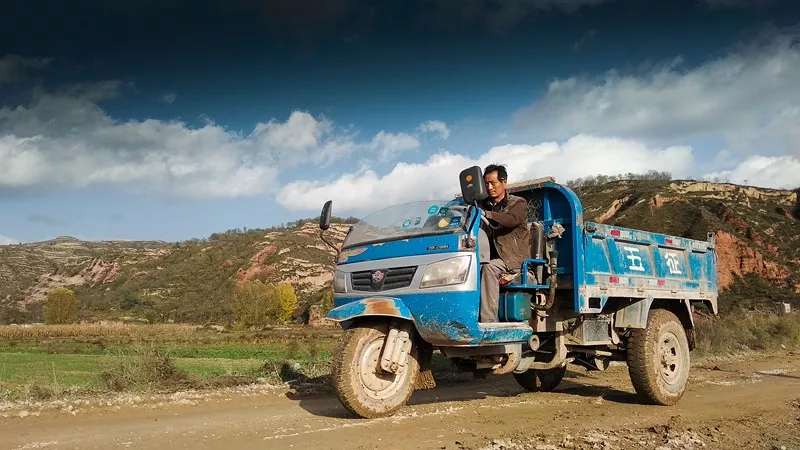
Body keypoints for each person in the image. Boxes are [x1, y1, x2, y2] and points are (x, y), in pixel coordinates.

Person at [478, 164, 531, 323]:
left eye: (493, 183)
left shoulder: (518, 203)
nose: (489, 187)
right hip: (491, 258)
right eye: (486, 184)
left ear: (504, 182)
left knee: (489, 268)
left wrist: (487, 214)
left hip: (513, 259)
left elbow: (509, 220)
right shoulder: (482, 205)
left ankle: (488, 323)